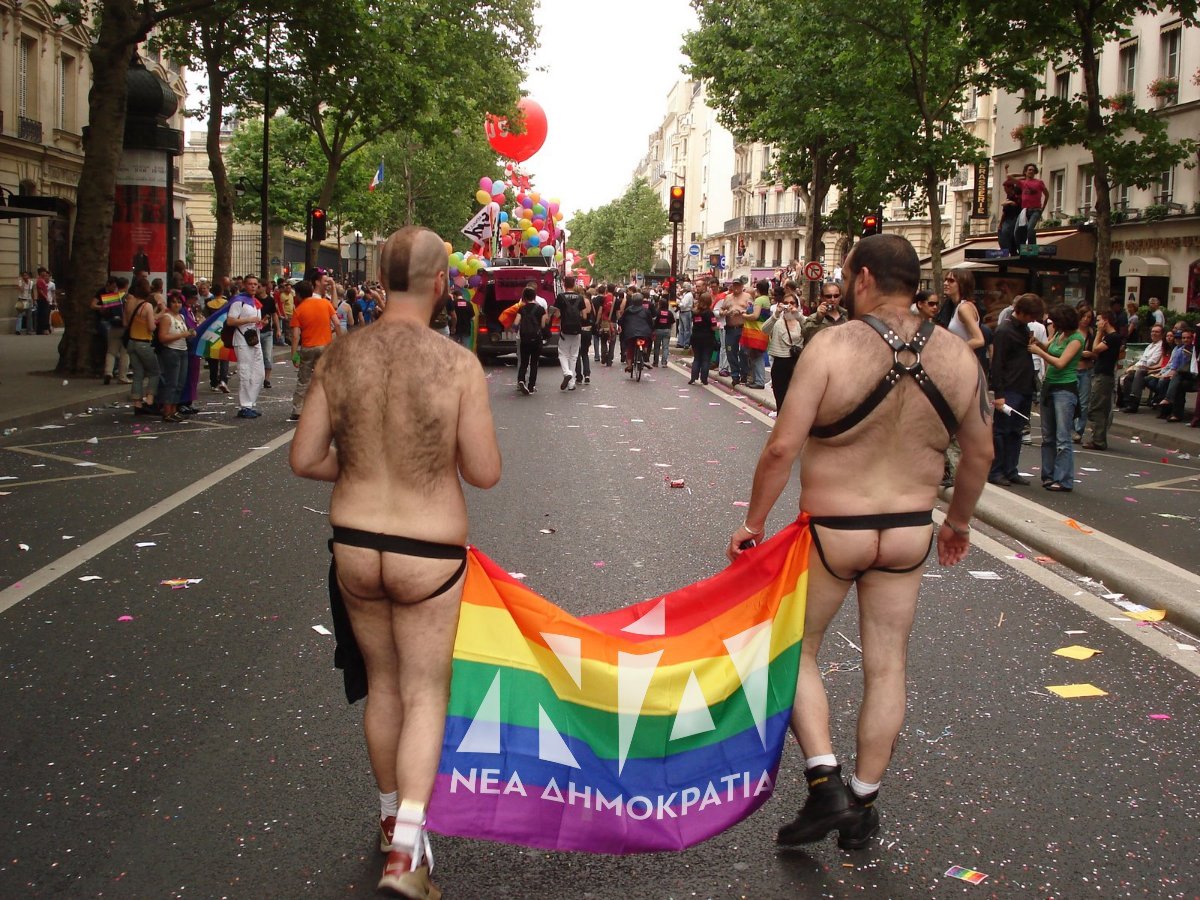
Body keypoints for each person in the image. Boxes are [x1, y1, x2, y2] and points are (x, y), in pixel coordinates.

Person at [727, 233, 991, 852]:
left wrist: (754, 523)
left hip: (833, 529)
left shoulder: (832, 345)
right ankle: (865, 801)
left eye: (846, 276)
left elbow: (782, 447)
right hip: (908, 530)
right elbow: (980, 453)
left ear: (865, 277)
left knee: (795, 649)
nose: (843, 286)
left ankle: (825, 782)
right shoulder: (959, 357)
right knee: (887, 662)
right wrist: (957, 523)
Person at [290, 226, 500, 899]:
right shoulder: (456, 364)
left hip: (354, 543)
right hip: (428, 551)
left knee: (382, 687)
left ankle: (389, 822)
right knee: (424, 693)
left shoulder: (340, 355)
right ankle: (406, 857)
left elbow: (304, 458)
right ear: (441, 283)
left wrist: (361, 466)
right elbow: (484, 472)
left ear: (378, 279)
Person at [988, 293, 1044, 486]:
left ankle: (1010, 469)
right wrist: (999, 394)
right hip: (1009, 387)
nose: (1032, 320)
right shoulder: (1004, 331)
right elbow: (997, 363)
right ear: (1021, 312)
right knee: (1002, 431)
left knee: (1016, 431)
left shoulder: (1024, 328)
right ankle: (996, 470)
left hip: (1024, 386)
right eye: (1031, 316)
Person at [1029, 305, 1085, 491]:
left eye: (1056, 321)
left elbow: (1061, 362)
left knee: (1062, 437)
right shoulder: (1060, 334)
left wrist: (1039, 352)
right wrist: (1039, 344)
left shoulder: (1077, 339)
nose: (1053, 325)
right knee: (1048, 436)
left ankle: (1063, 479)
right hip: (1049, 385)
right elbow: (1050, 348)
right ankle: (1049, 475)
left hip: (1064, 389)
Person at [289, 280, 342, 420]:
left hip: (308, 347)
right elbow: (337, 323)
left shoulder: (298, 310)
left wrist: (294, 355)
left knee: (303, 379)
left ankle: (297, 409)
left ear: (298, 294)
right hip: (325, 346)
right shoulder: (325, 303)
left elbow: (296, 336)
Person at [1082, 310, 1122, 450]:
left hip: (1104, 376)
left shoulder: (1112, 337)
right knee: (1098, 406)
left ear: (1106, 321)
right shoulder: (1110, 337)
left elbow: (1096, 348)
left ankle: (1098, 440)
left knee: (1097, 407)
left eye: (1099, 320)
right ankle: (1098, 438)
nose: (1097, 323)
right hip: (1101, 373)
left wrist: (1099, 332)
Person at [227, 275, 265, 418]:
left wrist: (260, 323)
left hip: (254, 339)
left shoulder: (255, 302)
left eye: (255, 284)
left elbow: (255, 322)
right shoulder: (239, 301)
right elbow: (230, 321)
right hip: (242, 341)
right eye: (250, 284)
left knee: (259, 373)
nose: (253, 286)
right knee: (245, 372)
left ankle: (250, 403)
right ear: (244, 285)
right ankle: (245, 406)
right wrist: (249, 319)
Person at [124, 277, 161, 415]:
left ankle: (137, 403)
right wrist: (157, 318)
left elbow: (125, 323)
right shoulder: (147, 306)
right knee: (154, 372)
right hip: (143, 342)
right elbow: (151, 327)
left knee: (138, 373)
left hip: (131, 342)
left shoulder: (129, 303)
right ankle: (149, 400)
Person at [763, 286, 804, 409]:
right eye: (786, 303)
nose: (789, 305)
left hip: (798, 363)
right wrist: (776, 314)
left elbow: (810, 330)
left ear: (797, 305)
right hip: (780, 363)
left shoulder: (802, 320)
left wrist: (798, 315)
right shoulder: (777, 321)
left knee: (797, 401)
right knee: (781, 401)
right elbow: (764, 330)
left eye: (792, 303)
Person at [155, 291, 194, 422]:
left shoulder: (181, 317)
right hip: (171, 351)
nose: (177, 305)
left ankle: (174, 410)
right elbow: (162, 337)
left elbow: (184, 332)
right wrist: (182, 335)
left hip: (183, 350)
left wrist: (189, 334)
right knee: (172, 382)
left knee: (180, 383)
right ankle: (167, 411)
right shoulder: (167, 317)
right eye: (174, 302)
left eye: (179, 302)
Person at [90, 276, 129, 384]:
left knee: (111, 351)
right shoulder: (128, 298)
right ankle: (122, 376)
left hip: (113, 326)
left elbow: (104, 311)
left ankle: (108, 372)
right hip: (125, 327)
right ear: (126, 286)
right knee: (125, 353)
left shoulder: (111, 297)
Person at [1119, 324, 1165, 413]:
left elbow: (1152, 361)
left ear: (1162, 334)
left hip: (1151, 369)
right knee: (1126, 377)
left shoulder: (1161, 346)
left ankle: (1133, 403)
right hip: (1142, 367)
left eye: (1157, 332)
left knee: (1136, 373)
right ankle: (1125, 403)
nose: (1154, 333)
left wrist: (1135, 367)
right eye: (1152, 331)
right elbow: (1142, 359)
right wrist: (1133, 366)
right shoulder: (1150, 346)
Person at [740, 279, 772, 389]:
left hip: (756, 331)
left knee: (756, 357)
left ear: (758, 289)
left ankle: (759, 381)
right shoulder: (767, 299)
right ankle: (755, 379)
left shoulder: (759, 300)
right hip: (761, 331)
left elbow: (755, 316)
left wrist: (744, 315)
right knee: (755, 356)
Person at [514, 286, 547, 394]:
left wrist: (518, 329)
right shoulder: (541, 309)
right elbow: (543, 325)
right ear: (534, 296)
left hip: (524, 339)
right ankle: (531, 386)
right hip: (536, 338)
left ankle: (521, 380)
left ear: (524, 297)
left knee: (524, 362)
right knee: (534, 363)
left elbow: (516, 323)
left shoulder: (521, 308)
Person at [716, 280, 748, 384]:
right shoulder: (728, 297)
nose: (736, 287)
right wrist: (725, 312)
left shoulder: (747, 297)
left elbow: (752, 310)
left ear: (742, 286)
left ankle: (744, 373)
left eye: (738, 285)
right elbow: (721, 310)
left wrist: (743, 311)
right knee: (730, 352)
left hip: (743, 328)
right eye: (734, 285)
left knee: (743, 352)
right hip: (730, 328)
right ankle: (735, 374)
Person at [618, 291, 654, 372]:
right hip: (643, 332)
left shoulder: (628, 310)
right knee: (644, 341)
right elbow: (650, 322)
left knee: (630, 348)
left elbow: (622, 320)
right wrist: (652, 330)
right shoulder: (646, 310)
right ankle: (644, 351)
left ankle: (629, 365)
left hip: (630, 332)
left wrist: (621, 327)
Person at [688, 292, 718, 385]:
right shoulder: (709, 313)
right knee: (706, 359)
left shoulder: (695, 312)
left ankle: (693, 377)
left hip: (696, 337)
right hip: (707, 338)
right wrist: (717, 326)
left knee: (697, 358)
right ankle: (704, 379)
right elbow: (713, 327)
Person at [1015, 163, 1049, 246]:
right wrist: (1022, 175)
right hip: (1025, 210)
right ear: (1025, 172)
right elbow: (1009, 176)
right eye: (1029, 170)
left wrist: (1043, 208)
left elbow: (1047, 194)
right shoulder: (1022, 183)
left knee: (1030, 228)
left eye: (1033, 170)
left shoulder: (1039, 182)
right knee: (1017, 231)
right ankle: (1021, 248)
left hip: (1036, 210)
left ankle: (1032, 248)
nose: (1031, 171)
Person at [256, 280, 280, 389]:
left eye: (259, 286)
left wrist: (278, 329)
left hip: (267, 332)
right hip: (255, 332)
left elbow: (274, 314)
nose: (257, 288)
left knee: (267, 356)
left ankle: (267, 379)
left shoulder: (270, 300)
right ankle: (258, 378)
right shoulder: (254, 299)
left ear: (264, 287)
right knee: (257, 357)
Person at [997, 165, 1022, 255]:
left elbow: (1005, 212)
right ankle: (1010, 249)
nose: (1005, 191)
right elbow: (1008, 178)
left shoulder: (1016, 195)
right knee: (1006, 232)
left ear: (1010, 188)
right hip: (1010, 218)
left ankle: (1009, 249)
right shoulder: (1009, 195)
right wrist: (1006, 169)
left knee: (1006, 232)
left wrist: (1009, 203)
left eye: (1005, 189)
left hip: (1014, 217)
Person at [651, 296, 675, 367]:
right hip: (667, 330)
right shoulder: (669, 313)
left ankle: (655, 362)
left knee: (656, 347)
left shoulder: (657, 312)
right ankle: (664, 362)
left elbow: (654, 321)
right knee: (665, 347)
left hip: (658, 330)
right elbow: (672, 322)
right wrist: (669, 329)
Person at [676, 281, 694, 349]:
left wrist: (677, 303)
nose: (682, 289)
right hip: (682, 312)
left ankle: (686, 343)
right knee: (681, 328)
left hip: (686, 312)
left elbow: (683, 304)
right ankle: (681, 342)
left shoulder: (688, 295)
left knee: (686, 329)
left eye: (683, 287)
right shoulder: (685, 294)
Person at [34, 268, 52, 334]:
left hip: (43, 299)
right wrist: (46, 297)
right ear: (40, 273)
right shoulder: (39, 280)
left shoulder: (43, 280)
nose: (45, 273)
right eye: (43, 272)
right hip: (42, 299)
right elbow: (40, 290)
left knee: (44, 314)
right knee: (44, 314)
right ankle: (43, 329)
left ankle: (42, 329)